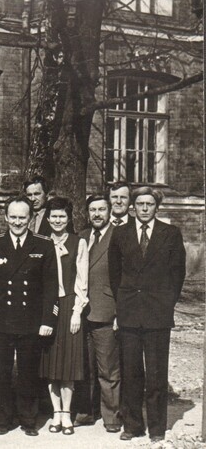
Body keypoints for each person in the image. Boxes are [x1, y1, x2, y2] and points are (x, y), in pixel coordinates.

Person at [108, 186, 186, 442]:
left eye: (149, 204)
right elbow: (114, 274)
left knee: (155, 375)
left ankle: (156, 428)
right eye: (139, 204)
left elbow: (177, 274)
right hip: (129, 313)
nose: (143, 208)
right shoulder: (120, 234)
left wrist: (165, 304)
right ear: (133, 206)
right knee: (131, 373)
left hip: (157, 316)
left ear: (156, 207)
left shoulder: (170, 234)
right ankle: (132, 426)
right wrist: (122, 305)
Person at [0, 196, 58, 437]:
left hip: (30, 321)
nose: (17, 222)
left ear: (31, 218)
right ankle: (3, 419)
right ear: (5, 218)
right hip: (1, 321)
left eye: (22, 217)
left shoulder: (43, 245)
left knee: (28, 373)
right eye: (13, 217)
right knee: (1, 373)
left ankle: (28, 420)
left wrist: (47, 320)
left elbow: (50, 287)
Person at [38, 197, 88, 435]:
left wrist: (77, 311)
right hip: (46, 307)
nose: (57, 220)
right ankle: (55, 412)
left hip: (69, 304)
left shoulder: (78, 243)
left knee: (68, 363)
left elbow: (82, 281)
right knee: (50, 363)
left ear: (68, 219)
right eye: (54, 216)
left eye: (62, 216)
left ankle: (66, 413)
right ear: (47, 219)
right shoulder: (41, 242)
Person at [72, 194, 121, 432]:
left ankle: (111, 415)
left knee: (108, 368)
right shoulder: (81, 236)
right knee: (84, 366)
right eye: (92, 210)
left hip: (105, 311)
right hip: (81, 312)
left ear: (109, 211)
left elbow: (124, 277)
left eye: (102, 209)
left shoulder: (118, 236)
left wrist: (119, 312)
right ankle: (85, 411)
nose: (97, 214)